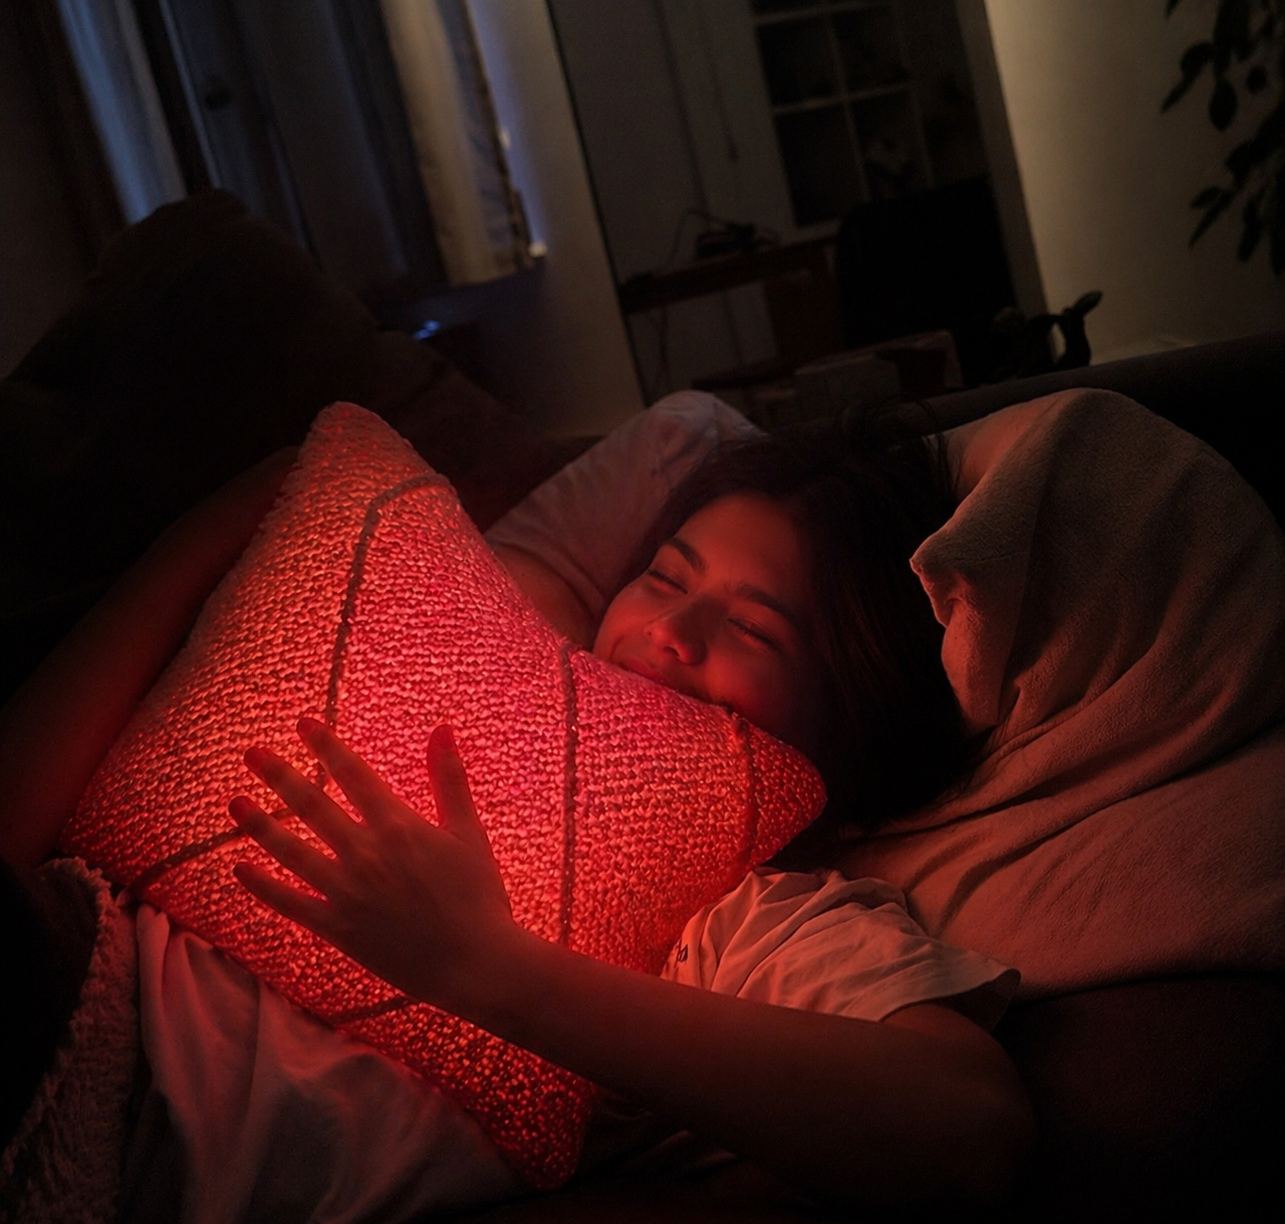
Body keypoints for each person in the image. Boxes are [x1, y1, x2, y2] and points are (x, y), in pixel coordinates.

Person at [0, 412, 1033, 1219]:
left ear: (837, 739)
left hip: (111, 1111)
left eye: (752, 633)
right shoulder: (445, 687)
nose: (670, 630)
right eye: (663, 576)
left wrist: (485, 969)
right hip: (71, 950)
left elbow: (967, 1129)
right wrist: (246, 511)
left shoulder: (752, 922)